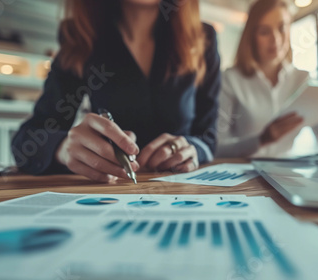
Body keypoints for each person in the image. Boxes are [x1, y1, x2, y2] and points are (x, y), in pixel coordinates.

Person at [12, 0, 221, 182]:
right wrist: (63, 148)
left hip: (181, 190)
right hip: (108, 191)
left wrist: (193, 149)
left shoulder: (204, 38)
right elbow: (28, 140)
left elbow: (207, 136)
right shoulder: (80, 36)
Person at [216, 0, 318, 158]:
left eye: (282, 28)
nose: (275, 39)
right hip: (242, 175)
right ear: (252, 36)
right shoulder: (230, 80)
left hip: (286, 175)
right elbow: (217, 147)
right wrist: (261, 140)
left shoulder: (303, 79)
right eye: (264, 32)